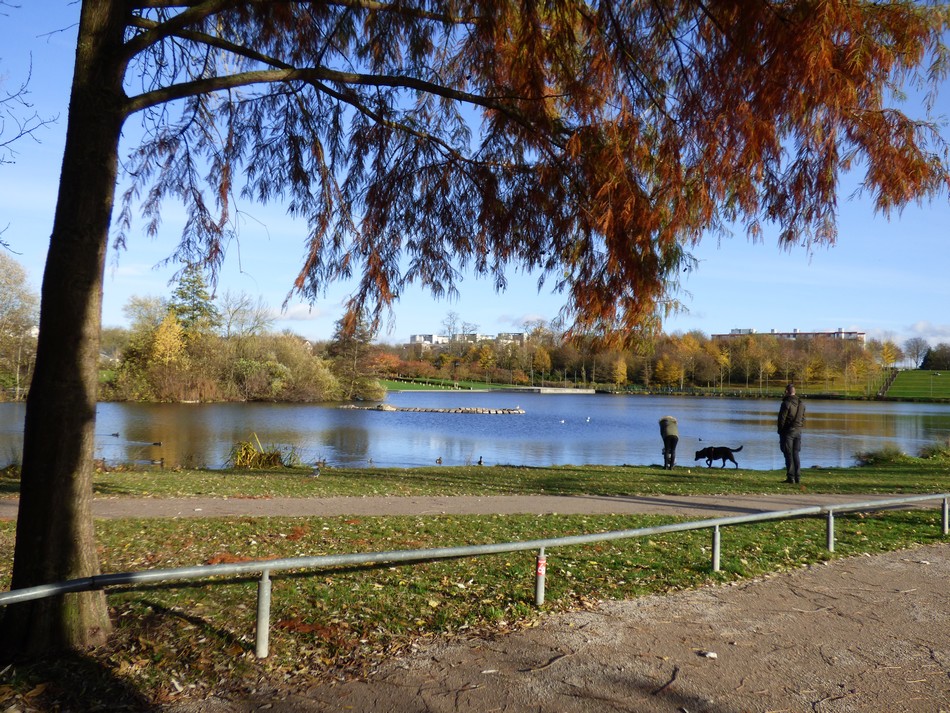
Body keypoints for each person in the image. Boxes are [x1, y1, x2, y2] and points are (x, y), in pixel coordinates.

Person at [777, 384, 805, 483]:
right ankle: (797, 477)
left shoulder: (786, 403)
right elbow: (803, 418)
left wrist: (780, 431)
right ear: (795, 392)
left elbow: (781, 419)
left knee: (788, 454)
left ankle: (790, 477)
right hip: (798, 430)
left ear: (786, 392)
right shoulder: (801, 403)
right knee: (796, 453)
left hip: (788, 431)